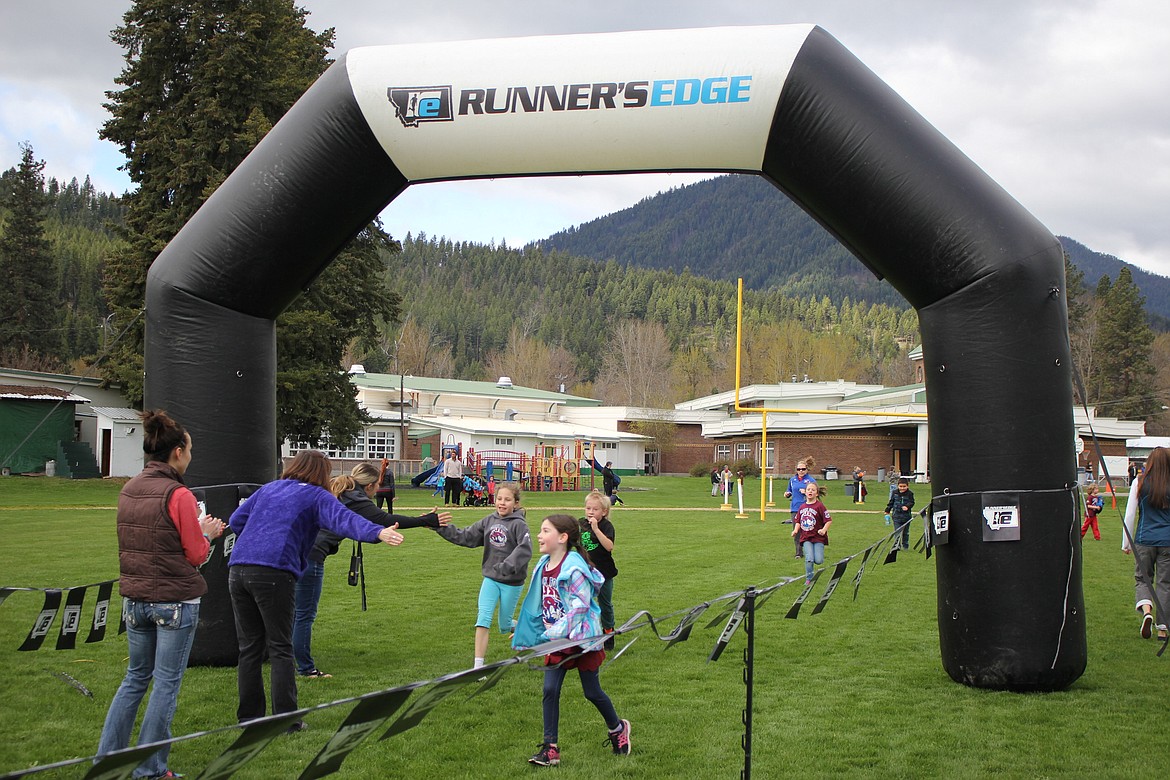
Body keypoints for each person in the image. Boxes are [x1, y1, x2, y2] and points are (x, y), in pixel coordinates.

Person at [227, 450, 405, 729]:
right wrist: (377, 532)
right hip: (274, 571)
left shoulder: (269, 489)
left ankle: (249, 718)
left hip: (238, 570)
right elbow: (345, 520)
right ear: (321, 474)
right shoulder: (316, 495)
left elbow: (237, 521)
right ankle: (287, 720)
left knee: (250, 648)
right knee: (280, 647)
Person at [97, 410, 227, 780]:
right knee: (165, 683)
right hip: (173, 602)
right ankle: (151, 769)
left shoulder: (129, 488)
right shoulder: (179, 494)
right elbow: (196, 554)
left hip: (135, 600)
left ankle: (108, 761)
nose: (190, 455)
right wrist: (207, 534)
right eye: (189, 449)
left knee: (135, 678)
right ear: (177, 453)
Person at [293, 463, 452, 679]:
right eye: (376, 487)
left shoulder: (339, 491)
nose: (376, 491)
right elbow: (385, 519)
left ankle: (280, 657)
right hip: (310, 557)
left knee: (293, 611)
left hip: (291, 553)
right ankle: (305, 668)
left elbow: (374, 526)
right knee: (304, 614)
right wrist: (426, 520)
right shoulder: (355, 498)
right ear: (369, 486)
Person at [513, 514, 632, 767]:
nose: (539, 535)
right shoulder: (543, 566)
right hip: (556, 639)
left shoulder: (575, 568)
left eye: (545, 531)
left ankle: (618, 728)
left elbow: (580, 608)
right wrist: (528, 632)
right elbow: (540, 605)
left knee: (592, 692)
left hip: (582, 639)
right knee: (550, 689)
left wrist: (552, 634)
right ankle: (550, 749)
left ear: (563, 537)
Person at [434, 482, 532, 669]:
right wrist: (438, 527)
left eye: (507, 500)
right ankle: (478, 668)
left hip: (512, 582)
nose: (502, 503)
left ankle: (523, 627)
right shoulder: (489, 521)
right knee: (483, 619)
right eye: (499, 498)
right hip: (491, 579)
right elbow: (465, 536)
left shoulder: (519, 525)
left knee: (504, 625)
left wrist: (505, 567)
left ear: (516, 503)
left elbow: (525, 550)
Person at [1121, 446, 1170, 642]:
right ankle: (1162, 629)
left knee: (1143, 579)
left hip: (1144, 539)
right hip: (1168, 541)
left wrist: (1126, 543)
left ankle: (1147, 610)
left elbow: (1130, 514)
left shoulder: (1138, 483)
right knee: (1165, 584)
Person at [579, 491, 619, 649]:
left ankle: (608, 631)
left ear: (604, 512)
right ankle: (585, 633)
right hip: (585, 571)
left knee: (605, 604)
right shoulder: (581, 523)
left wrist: (596, 529)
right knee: (583, 603)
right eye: (588, 508)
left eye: (595, 509)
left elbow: (609, 546)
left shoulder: (606, 526)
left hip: (604, 572)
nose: (590, 512)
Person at [792, 482, 832, 584]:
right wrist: (796, 530)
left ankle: (814, 560)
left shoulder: (820, 506)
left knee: (818, 560)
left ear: (817, 494)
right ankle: (809, 579)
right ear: (805, 492)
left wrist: (823, 530)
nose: (810, 491)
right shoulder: (802, 507)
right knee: (809, 558)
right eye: (808, 489)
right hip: (806, 538)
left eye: (813, 490)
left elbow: (828, 520)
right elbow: (798, 521)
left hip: (818, 538)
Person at [784, 458, 817, 559]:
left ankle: (811, 551)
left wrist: (807, 492)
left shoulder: (810, 480)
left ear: (806, 469)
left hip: (807, 508)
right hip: (795, 508)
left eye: (803, 469)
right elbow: (789, 490)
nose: (801, 471)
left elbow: (816, 494)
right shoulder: (792, 480)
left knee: (808, 529)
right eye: (799, 469)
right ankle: (799, 553)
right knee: (796, 531)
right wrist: (787, 494)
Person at [885, 477, 916, 550]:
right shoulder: (894, 492)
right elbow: (891, 502)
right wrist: (887, 510)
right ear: (898, 486)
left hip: (906, 516)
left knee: (905, 532)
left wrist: (907, 506)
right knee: (897, 531)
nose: (902, 488)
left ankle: (905, 545)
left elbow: (912, 502)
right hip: (896, 516)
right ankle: (897, 546)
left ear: (907, 486)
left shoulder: (910, 494)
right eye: (900, 486)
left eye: (904, 486)